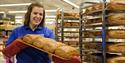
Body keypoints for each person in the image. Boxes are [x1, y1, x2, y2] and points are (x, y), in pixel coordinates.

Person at [3, 2, 80, 63]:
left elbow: (51, 54)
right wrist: (18, 45)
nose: (38, 16)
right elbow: (6, 54)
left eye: (41, 14)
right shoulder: (17, 31)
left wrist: (64, 60)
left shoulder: (48, 32)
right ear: (29, 14)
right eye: (35, 13)